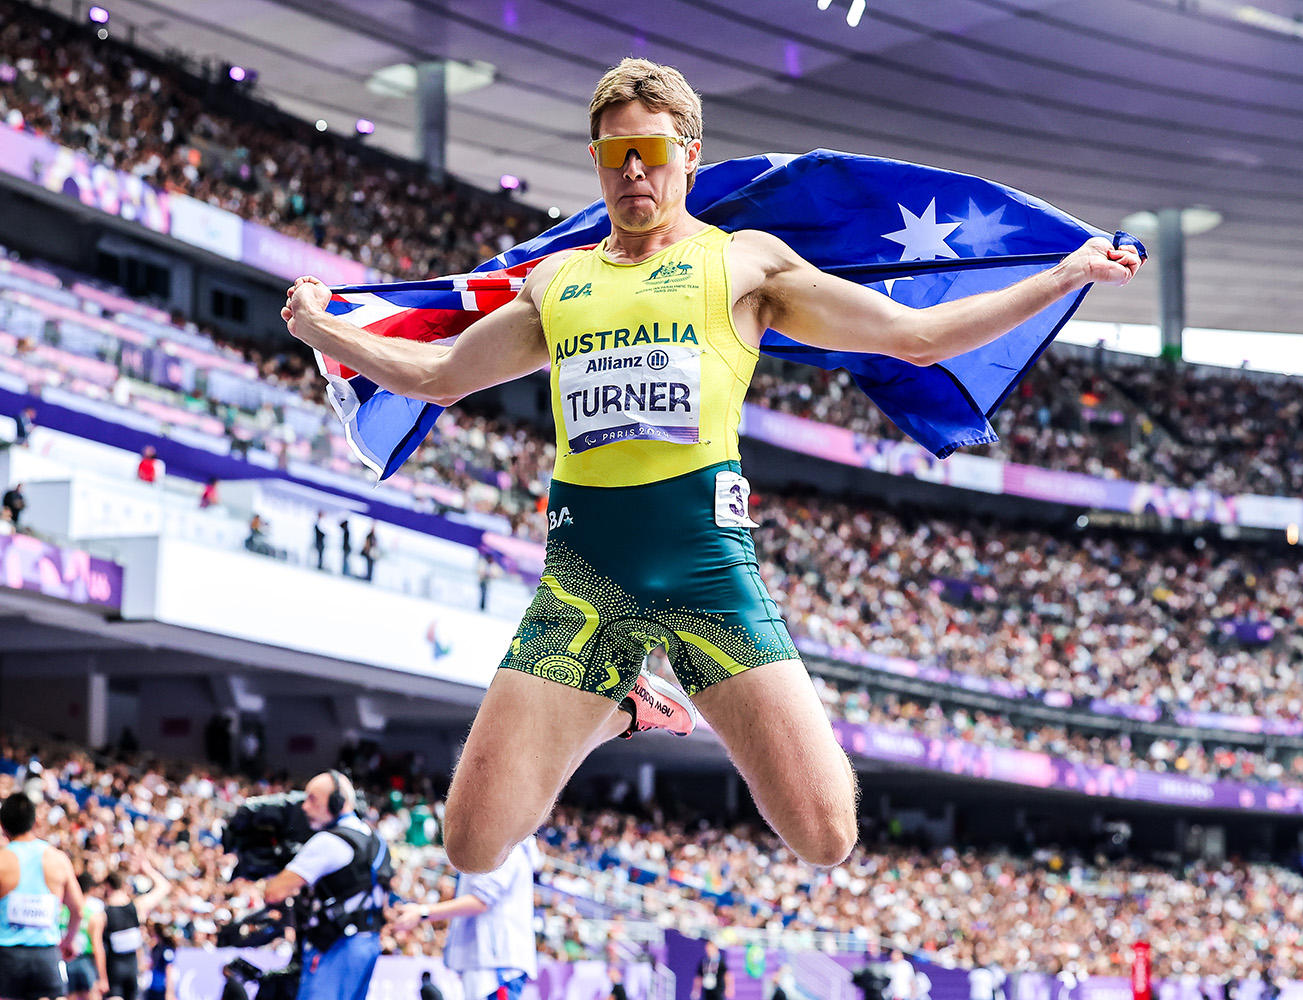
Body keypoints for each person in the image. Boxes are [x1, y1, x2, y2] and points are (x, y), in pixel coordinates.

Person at [282, 58, 1143, 874]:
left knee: (826, 834)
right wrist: (323, 329)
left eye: (650, 155)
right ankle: (620, 708)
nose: (632, 175)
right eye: (613, 157)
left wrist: (1063, 274)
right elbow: (438, 376)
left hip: (707, 577)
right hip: (585, 585)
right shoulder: (556, 283)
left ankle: (640, 696)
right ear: (595, 162)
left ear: (688, 157)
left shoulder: (745, 263)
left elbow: (914, 338)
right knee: (471, 845)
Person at [262, 772, 389, 1000]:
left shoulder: (328, 841)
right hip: (368, 943)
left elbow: (274, 893)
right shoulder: (376, 839)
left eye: (312, 799)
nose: (305, 807)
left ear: (336, 803)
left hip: (336, 946)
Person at [390, 838, 538, 1000]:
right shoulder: (502, 843)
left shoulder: (505, 845)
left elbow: (481, 901)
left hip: (495, 966)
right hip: (489, 963)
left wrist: (423, 911)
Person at [0, 792, 84, 1000]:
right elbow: (78, 910)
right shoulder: (58, 859)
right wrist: (68, 940)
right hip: (46, 956)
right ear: (35, 822)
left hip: (7, 957)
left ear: (2, 825)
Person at [99, 851, 171, 1000]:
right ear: (125, 886)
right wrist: (147, 869)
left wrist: (102, 977)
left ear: (107, 886)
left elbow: (98, 949)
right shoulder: (136, 907)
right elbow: (164, 886)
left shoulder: (102, 915)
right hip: (132, 970)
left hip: (114, 971)